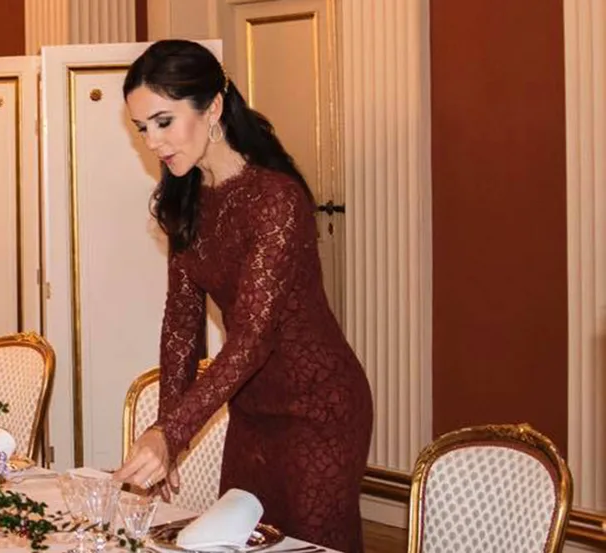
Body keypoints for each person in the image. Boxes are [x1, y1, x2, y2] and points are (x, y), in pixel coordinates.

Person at [112, 39, 374, 552]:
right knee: (233, 544)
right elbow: (181, 331)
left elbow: (254, 337)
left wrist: (172, 434)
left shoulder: (277, 199)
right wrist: (168, 431)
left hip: (319, 412)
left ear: (211, 108)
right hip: (253, 414)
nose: (152, 142)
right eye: (143, 128)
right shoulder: (184, 199)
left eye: (164, 122)